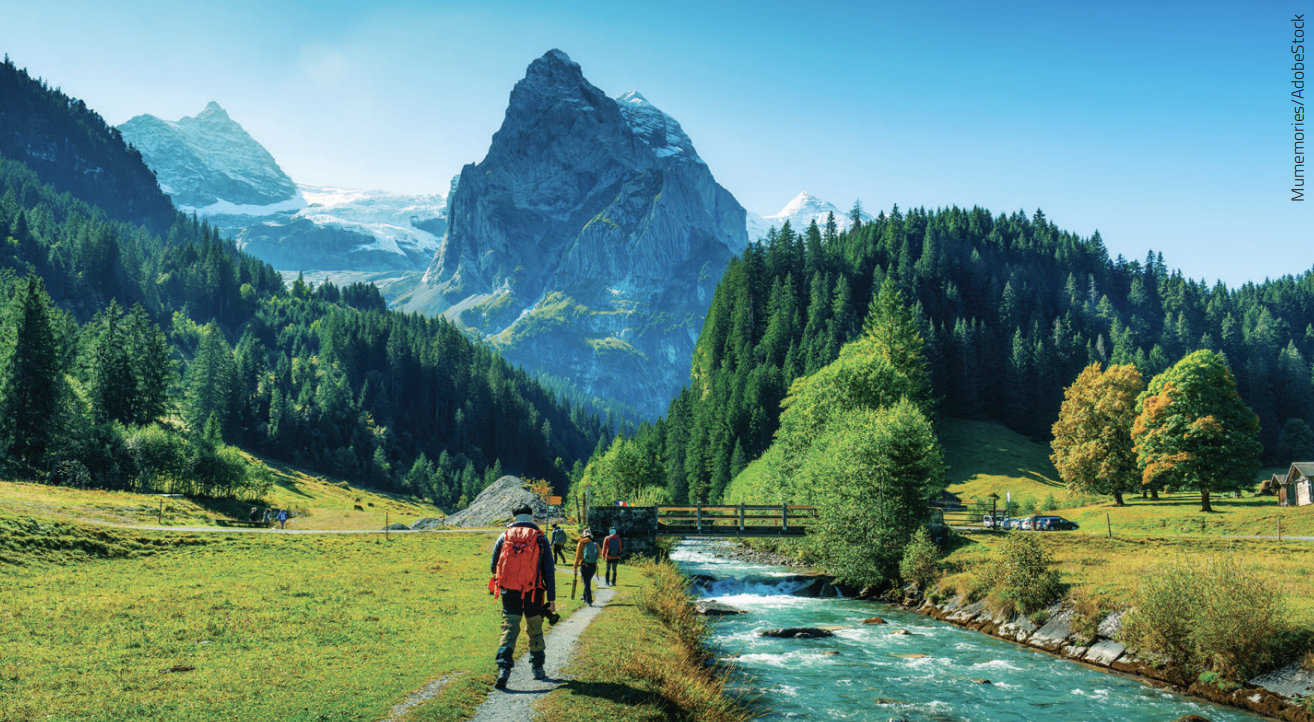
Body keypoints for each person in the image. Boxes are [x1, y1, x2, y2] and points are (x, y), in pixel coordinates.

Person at [490, 503, 557, 690]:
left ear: (514, 517)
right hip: (533, 593)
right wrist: (551, 598)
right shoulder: (540, 538)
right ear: (531, 517)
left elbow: (493, 565)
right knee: (534, 628)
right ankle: (537, 668)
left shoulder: (504, 536)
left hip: (509, 592)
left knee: (509, 629)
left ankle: (503, 670)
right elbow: (548, 570)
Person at [574, 529, 599, 606]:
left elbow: (577, 556)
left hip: (584, 565)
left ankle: (589, 601)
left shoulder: (580, 543)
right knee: (587, 582)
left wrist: (575, 567)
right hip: (593, 566)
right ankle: (584, 597)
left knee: (587, 584)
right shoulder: (595, 544)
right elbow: (599, 554)